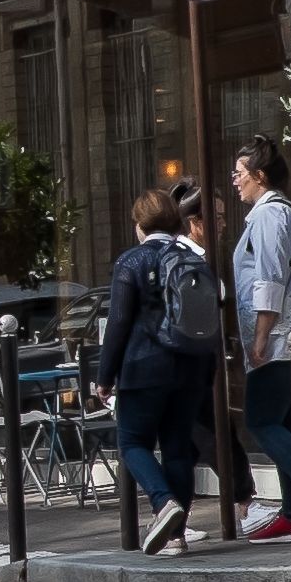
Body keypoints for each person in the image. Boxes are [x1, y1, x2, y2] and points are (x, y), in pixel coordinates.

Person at [98, 186, 225, 550]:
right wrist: (209, 372)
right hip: (190, 367)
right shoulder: (193, 258)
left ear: (140, 224)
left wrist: (104, 377)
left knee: (132, 442)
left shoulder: (131, 261)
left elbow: (119, 322)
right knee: (178, 449)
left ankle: (161, 501)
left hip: (144, 367)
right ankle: (178, 535)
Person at [224, 137, 291, 542]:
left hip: (287, 338)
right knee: (285, 419)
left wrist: (260, 339)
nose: (235, 180)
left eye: (240, 173)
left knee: (261, 419)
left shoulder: (270, 217)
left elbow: (270, 279)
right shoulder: (290, 213)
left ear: (260, 175)